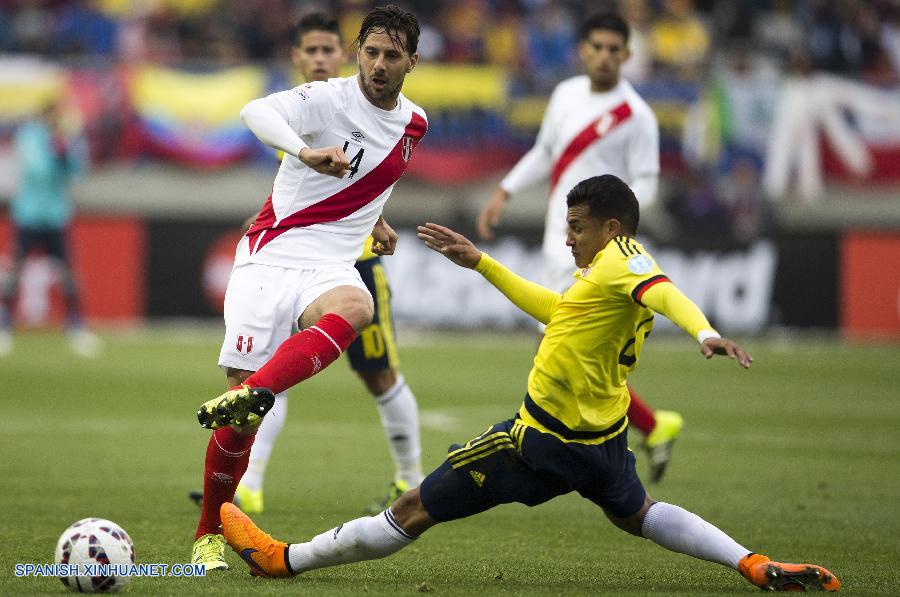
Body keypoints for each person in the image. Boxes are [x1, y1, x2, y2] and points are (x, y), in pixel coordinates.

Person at [219, 175, 840, 592]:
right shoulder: (609, 270)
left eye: (577, 226)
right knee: (639, 514)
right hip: (604, 440)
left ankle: (282, 560)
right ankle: (753, 564)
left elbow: (668, 294)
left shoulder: (625, 262)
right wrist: (482, 262)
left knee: (411, 510)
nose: (568, 236)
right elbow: (559, 311)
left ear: (612, 225)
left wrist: (705, 333)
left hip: (538, 441)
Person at [189, 5, 427, 572]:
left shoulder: (416, 123)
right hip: (269, 257)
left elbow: (371, 177)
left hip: (328, 264)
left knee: (357, 305)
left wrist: (375, 219)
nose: (378, 64)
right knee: (237, 427)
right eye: (370, 52)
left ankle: (261, 389)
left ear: (411, 63)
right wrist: (305, 152)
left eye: (392, 56)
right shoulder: (325, 97)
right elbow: (254, 110)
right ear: (357, 53)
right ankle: (207, 534)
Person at [476, 12, 681, 483]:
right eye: (598, 47)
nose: (606, 56)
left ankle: (546, 437)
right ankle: (649, 425)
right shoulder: (566, 94)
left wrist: (615, 218)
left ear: (628, 55)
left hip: (598, 248)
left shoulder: (637, 116)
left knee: (563, 339)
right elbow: (546, 152)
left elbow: (647, 184)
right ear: (583, 51)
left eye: (615, 49)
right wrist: (504, 191)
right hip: (558, 237)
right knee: (564, 341)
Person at [0, 98, 101, 358]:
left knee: (68, 272)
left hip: (56, 216)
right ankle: (4, 325)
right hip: (29, 215)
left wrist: (66, 152)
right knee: (16, 270)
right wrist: (55, 150)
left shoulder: (66, 137)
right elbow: (36, 171)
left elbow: (79, 171)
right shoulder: (30, 136)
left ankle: (76, 326)